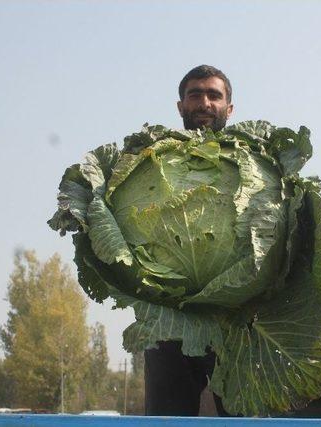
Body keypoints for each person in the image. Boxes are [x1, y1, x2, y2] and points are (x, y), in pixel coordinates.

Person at [144, 65, 234, 417]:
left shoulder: (258, 160)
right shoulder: (152, 159)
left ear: (229, 109)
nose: (204, 102)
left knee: (246, 420)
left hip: (241, 317)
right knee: (166, 419)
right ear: (180, 106)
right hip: (168, 313)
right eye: (195, 94)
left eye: (215, 95)